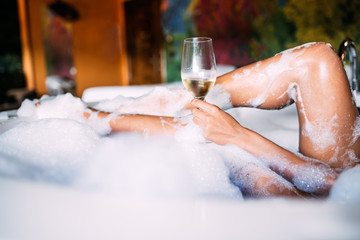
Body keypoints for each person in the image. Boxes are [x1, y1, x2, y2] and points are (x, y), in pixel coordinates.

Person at [85, 42, 360, 198]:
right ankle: (171, 101)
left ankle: (95, 118)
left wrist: (238, 136)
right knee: (318, 59)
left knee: (222, 152)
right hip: (344, 186)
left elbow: (340, 188)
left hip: (335, 208)